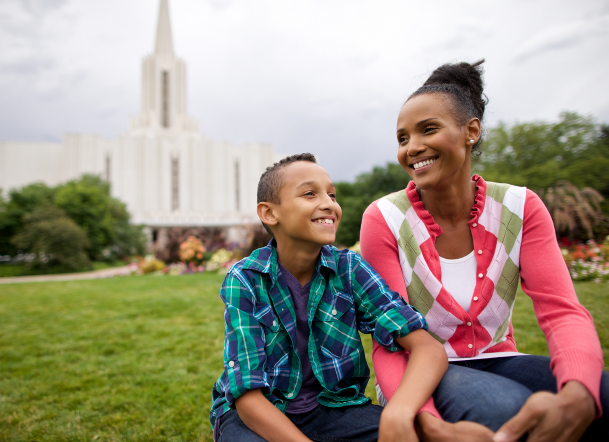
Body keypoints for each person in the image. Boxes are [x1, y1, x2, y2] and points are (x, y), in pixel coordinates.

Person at [360, 60, 609, 442]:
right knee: (502, 408)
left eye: (428, 130)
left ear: (470, 131)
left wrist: (578, 389)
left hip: (500, 358)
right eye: (402, 137)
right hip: (416, 374)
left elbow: (563, 313)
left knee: (599, 393)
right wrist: (424, 419)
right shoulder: (385, 218)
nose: (412, 148)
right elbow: (390, 340)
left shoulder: (521, 206)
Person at [210, 153, 448, 442]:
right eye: (310, 193)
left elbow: (426, 347)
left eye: (332, 195)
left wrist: (401, 412)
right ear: (270, 213)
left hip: (335, 409)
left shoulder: (350, 269)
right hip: (260, 414)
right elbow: (248, 397)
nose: (329, 203)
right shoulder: (245, 279)